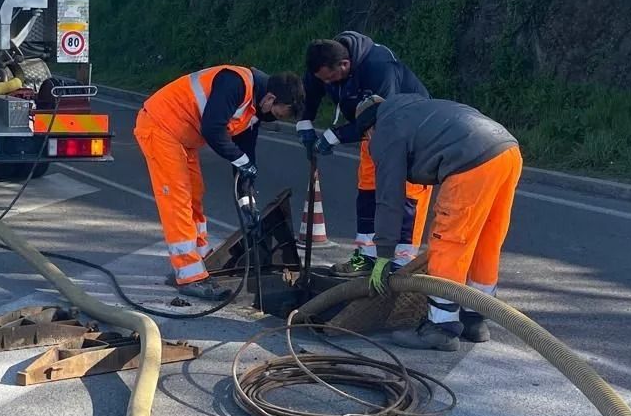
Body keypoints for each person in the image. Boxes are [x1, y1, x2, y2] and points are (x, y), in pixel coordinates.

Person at [347, 93, 523, 350]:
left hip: (471, 161)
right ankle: (474, 318)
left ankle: (442, 328)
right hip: (507, 150)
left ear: (368, 129)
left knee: (448, 240)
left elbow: (389, 199)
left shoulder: (385, 133)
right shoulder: (411, 108)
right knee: (486, 239)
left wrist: (383, 254)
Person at [134, 66, 303, 301]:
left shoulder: (252, 112)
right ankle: (189, 274)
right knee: (178, 197)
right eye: (278, 113)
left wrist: (248, 204)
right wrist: (243, 162)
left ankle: (202, 256)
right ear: (270, 98)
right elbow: (213, 130)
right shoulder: (234, 83)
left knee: (195, 194)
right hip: (160, 126)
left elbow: (244, 159)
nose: (274, 119)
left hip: (184, 137)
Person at [298, 34, 431, 274]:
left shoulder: (380, 67)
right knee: (368, 190)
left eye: (331, 78)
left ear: (345, 65)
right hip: (371, 133)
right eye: (324, 79)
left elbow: (382, 113)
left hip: (409, 132)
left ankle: (401, 262)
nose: (328, 83)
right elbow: (312, 91)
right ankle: (366, 256)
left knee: (408, 195)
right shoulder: (324, 64)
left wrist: (334, 135)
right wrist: (305, 124)